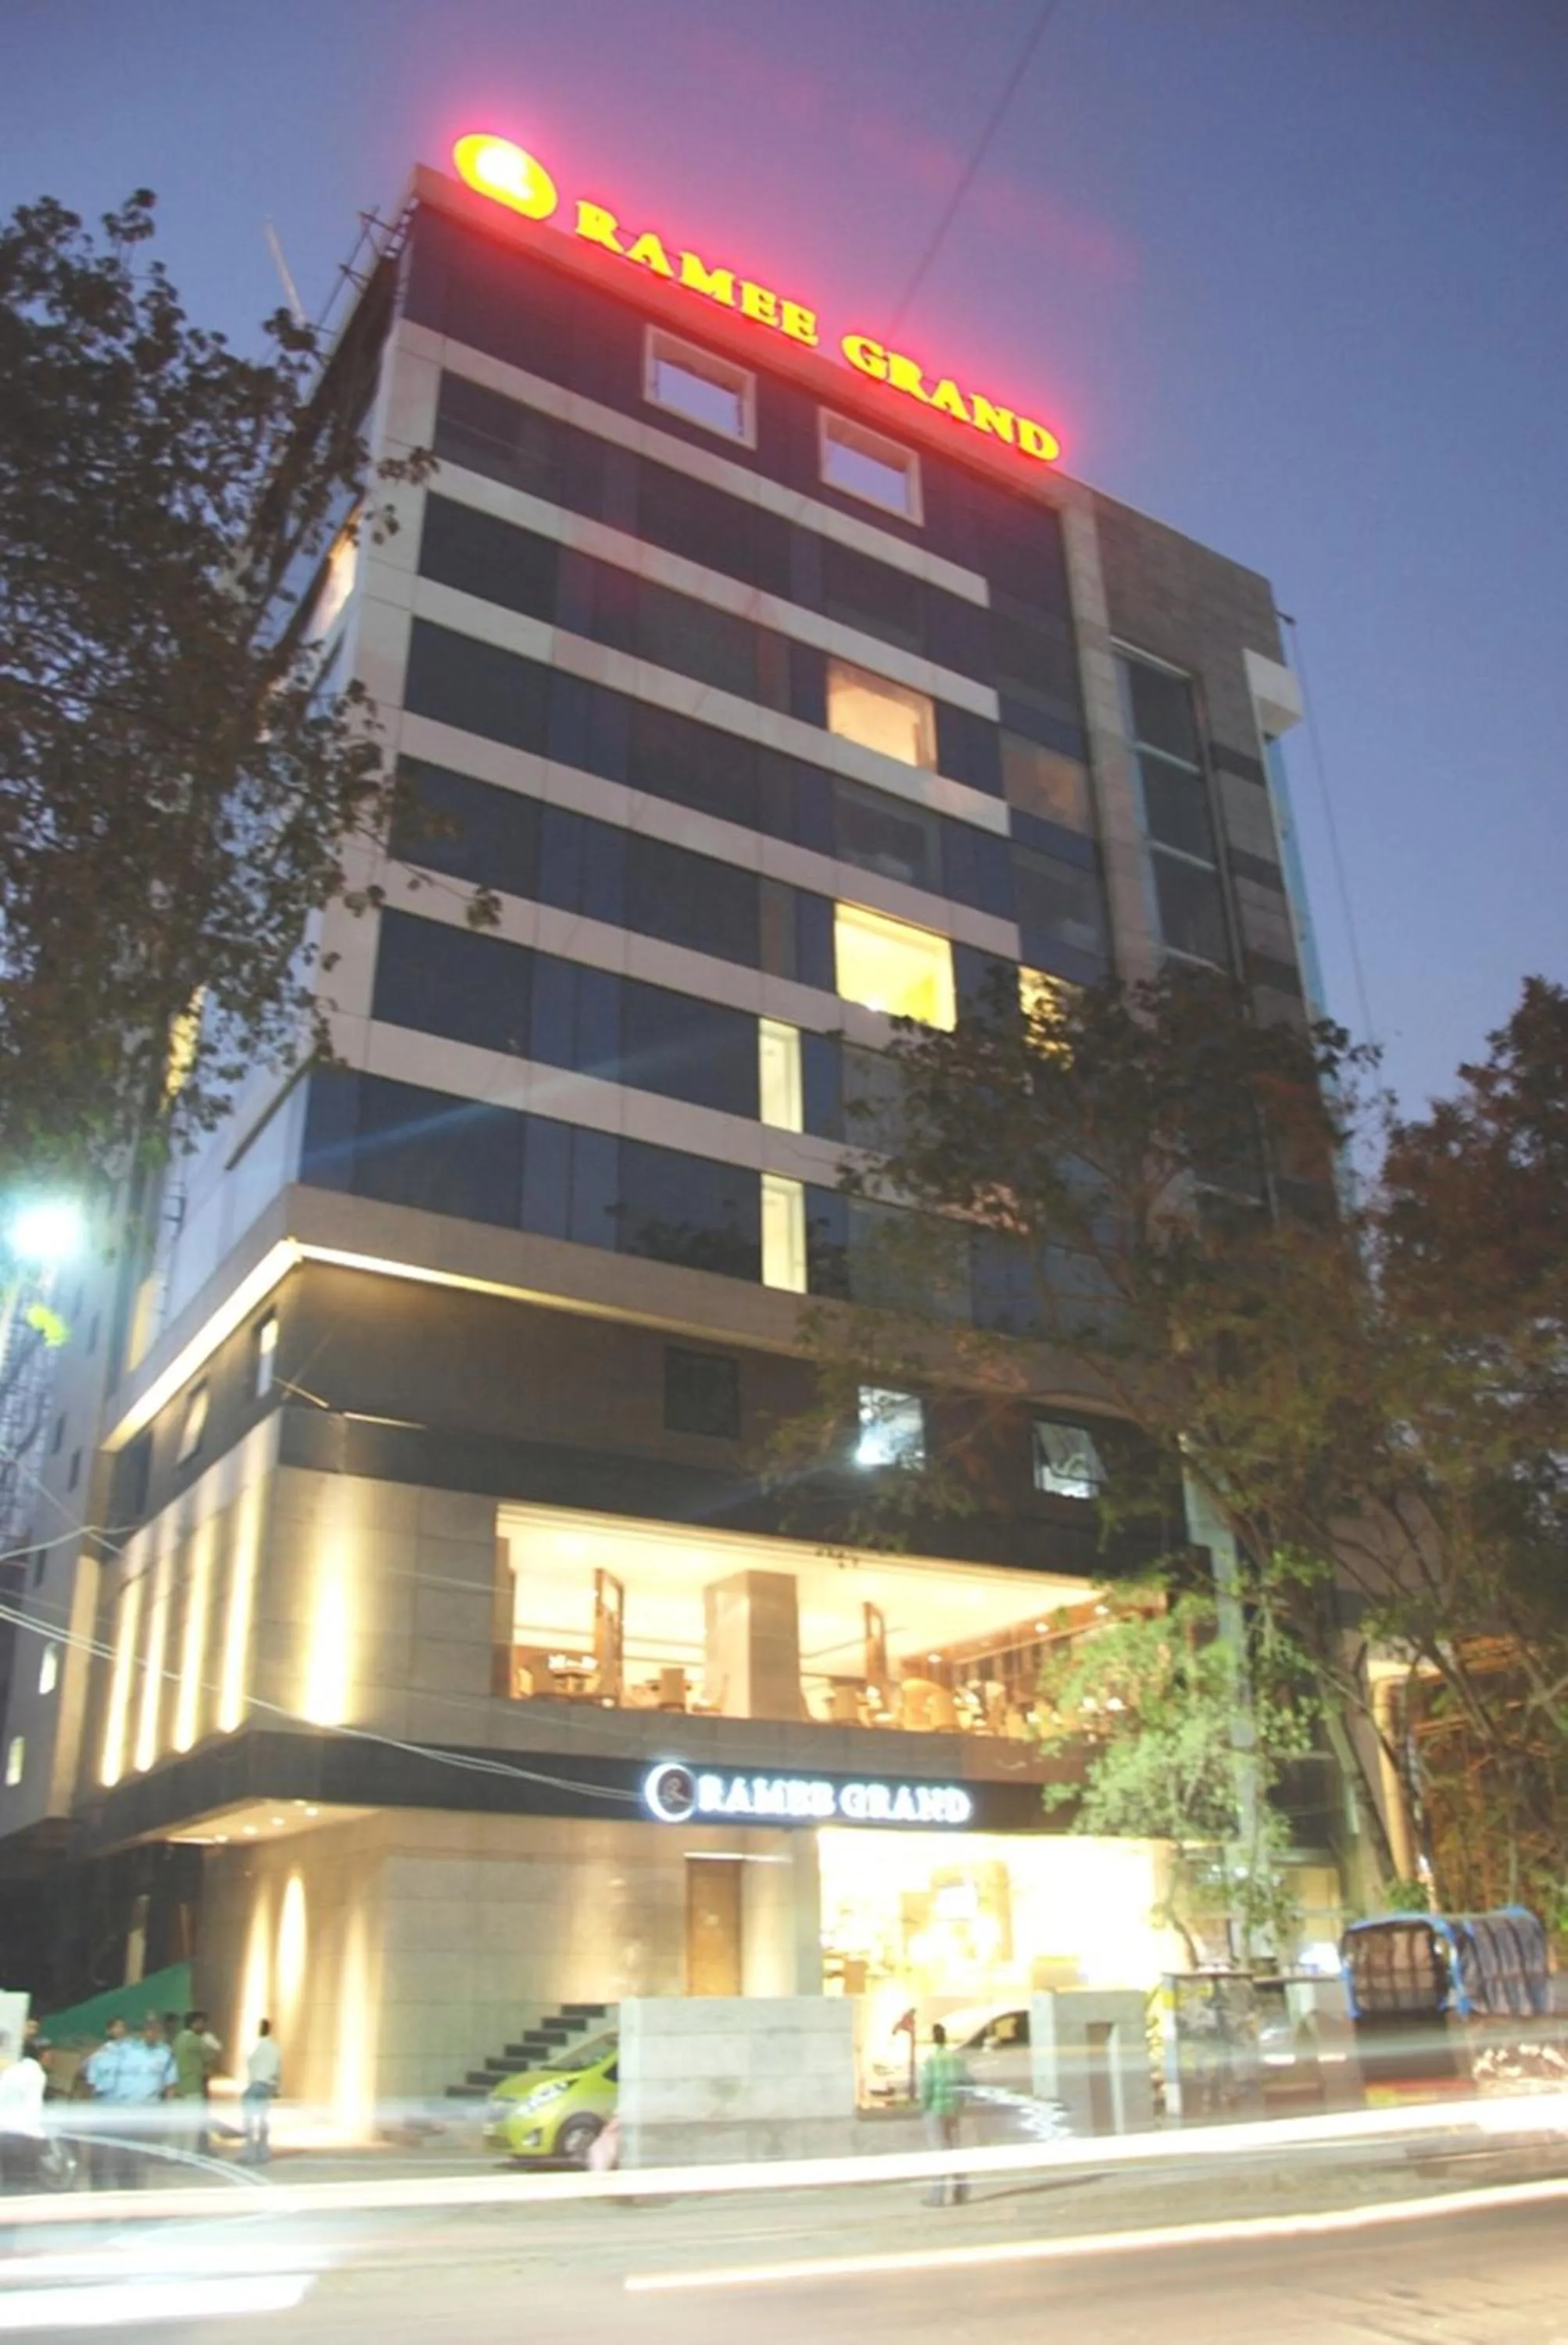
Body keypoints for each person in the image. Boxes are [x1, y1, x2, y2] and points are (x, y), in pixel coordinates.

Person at [84, 2011, 176, 2188]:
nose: (152, 2034)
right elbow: (91, 2081)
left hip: (138, 2113)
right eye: (148, 2030)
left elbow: (169, 2085)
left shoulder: (164, 2054)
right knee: (101, 2155)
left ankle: (128, 2191)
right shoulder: (121, 2051)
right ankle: (99, 2190)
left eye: (156, 2030)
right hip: (109, 2110)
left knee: (131, 2157)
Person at [918, 2021, 972, 2207]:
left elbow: (926, 2087)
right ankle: (962, 2192)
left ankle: (937, 2196)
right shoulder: (957, 2060)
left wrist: (923, 2106)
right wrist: (961, 2102)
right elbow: (968, 2083)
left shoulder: (931, 2061)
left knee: (939, 2151)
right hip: (953, 2109)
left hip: (935, 2109)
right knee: (955, 2149)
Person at [0, 2036, 52, 2193]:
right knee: (24, 2182)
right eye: (49, 2053)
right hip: (22, 2136)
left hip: (4, 2132)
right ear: (42, 2054)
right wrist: (40, 2136)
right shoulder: (36, 2074)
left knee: (8, 2179)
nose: (52, 2057)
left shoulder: (12, 2070)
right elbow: (33, 2108)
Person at [173, 2010, 220, 2156]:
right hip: (193, 2085)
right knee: (192, 2125)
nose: (204, 2026)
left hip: (180, 2086)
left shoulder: (178, 2039)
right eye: (202, 2023)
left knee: (179, 2125)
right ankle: (189, 2154)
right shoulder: (195, 2040)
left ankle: (176, 2154)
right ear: (195, 2023)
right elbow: (214, 2051)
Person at [240, 2021, 281, 2164]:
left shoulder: (254, 2046)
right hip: (267, 2085)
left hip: (255, 2084)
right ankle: (263, 2152)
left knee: (249, 2121)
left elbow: (249, 2063)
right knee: (263, 2121)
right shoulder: (274, 2048)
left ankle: (250, 2153)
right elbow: (277, 2069)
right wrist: (277, 2088)